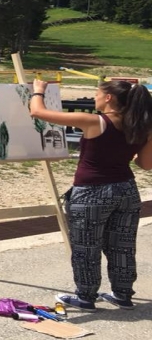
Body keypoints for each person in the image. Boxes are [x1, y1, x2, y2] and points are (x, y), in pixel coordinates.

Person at [30, 79, 152, 311]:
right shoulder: (141, 126)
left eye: (97, 93)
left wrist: (38, 91)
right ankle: (122, 295)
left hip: (92, 191)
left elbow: (37, 111)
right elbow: (146, 164)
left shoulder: (95, 121)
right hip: (126, 190)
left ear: (108, 98)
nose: (94, 97)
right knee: (122, 245)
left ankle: (86, 297)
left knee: (87, 246)